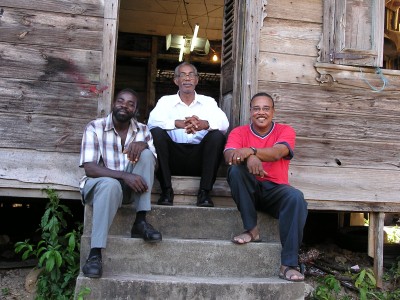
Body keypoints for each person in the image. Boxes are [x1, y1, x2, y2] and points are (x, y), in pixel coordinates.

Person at [223, 92, 308, 282]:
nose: (261, 113)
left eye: (266, 108)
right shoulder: (239, 132)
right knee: (235, 171)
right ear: (250, 112)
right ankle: (251, 230)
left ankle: (288, 264)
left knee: (296, 197)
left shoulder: (285, 130)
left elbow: (278, 152)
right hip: (249, 190)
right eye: (256, 108)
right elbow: (229, 156)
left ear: (273, 112)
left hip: (275, 192)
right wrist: (250, 158)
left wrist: (252, 151)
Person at [79, 88, 162, 278]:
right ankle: (94, 254)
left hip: (128, 191)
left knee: (148, 154)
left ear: (136, 110)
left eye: (130, 103)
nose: (124, 105)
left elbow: (152, 167)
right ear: (113, 104)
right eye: (120, 101)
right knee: (110, 184)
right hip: (99, 188)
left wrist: (144, 146)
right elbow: (89, 168)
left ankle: (140, 221)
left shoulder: (143, 130)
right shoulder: (95, 127)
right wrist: (124, 176)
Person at [147, 62, 229, 207]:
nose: (187, 78)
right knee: (156, 133)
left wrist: (205, 124)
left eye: (191, 74)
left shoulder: (208, 102)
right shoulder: (165, 101)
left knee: (217, 136)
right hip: (173, 158)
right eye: (182, 75)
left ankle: (204, 193)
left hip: (199, 159)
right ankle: (166, 191)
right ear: (176, 80)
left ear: (197, 80)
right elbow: (152, 122)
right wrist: (176, 123)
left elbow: (224, 124)